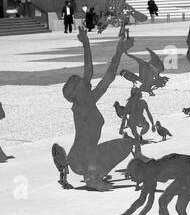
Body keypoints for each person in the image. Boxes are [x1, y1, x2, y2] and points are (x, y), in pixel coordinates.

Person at [57, 26, 134, 190]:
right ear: (77, 94)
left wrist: (119, 52)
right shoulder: (80, 107)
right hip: (81, 158)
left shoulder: (88, 101)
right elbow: (89, 71)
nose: (86, 81)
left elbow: (109, 76)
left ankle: (95, 171)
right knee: (124, 145)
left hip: (84, 156)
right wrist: (86, 43)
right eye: (80, 83)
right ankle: (93, 176)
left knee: (126, 144)